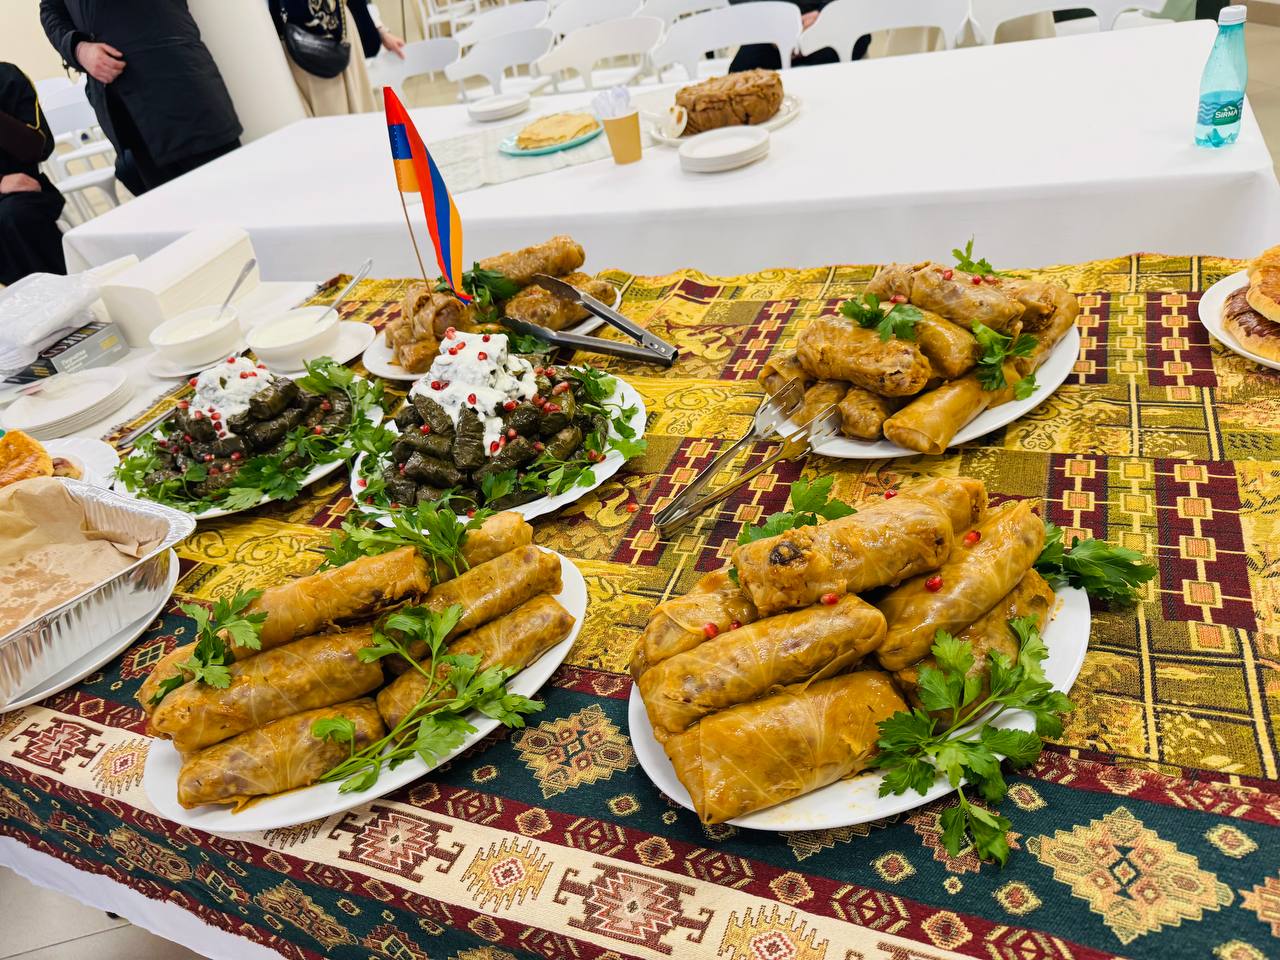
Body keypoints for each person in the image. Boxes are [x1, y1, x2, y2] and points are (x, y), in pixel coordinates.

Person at [39, 0, 242, 196]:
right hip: (126, 114)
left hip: (182, 92)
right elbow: (50, 10)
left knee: (232, 198)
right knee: (174, 211)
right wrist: (79, 49)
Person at [271, 1, 407, 117]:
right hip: (298, 36)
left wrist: (379, 29)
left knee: (355, 113)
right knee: (327, 119)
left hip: (339, 25)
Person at [0, 63, 66, 286]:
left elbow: (37, 147)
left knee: (14, 216)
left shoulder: (6, 77)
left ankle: (65, 291)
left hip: (20, 195)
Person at [728, 0, 870, 73]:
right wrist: (770, 25)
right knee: (740, 72)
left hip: (833, 22)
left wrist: (825, 15)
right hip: (769, 32)